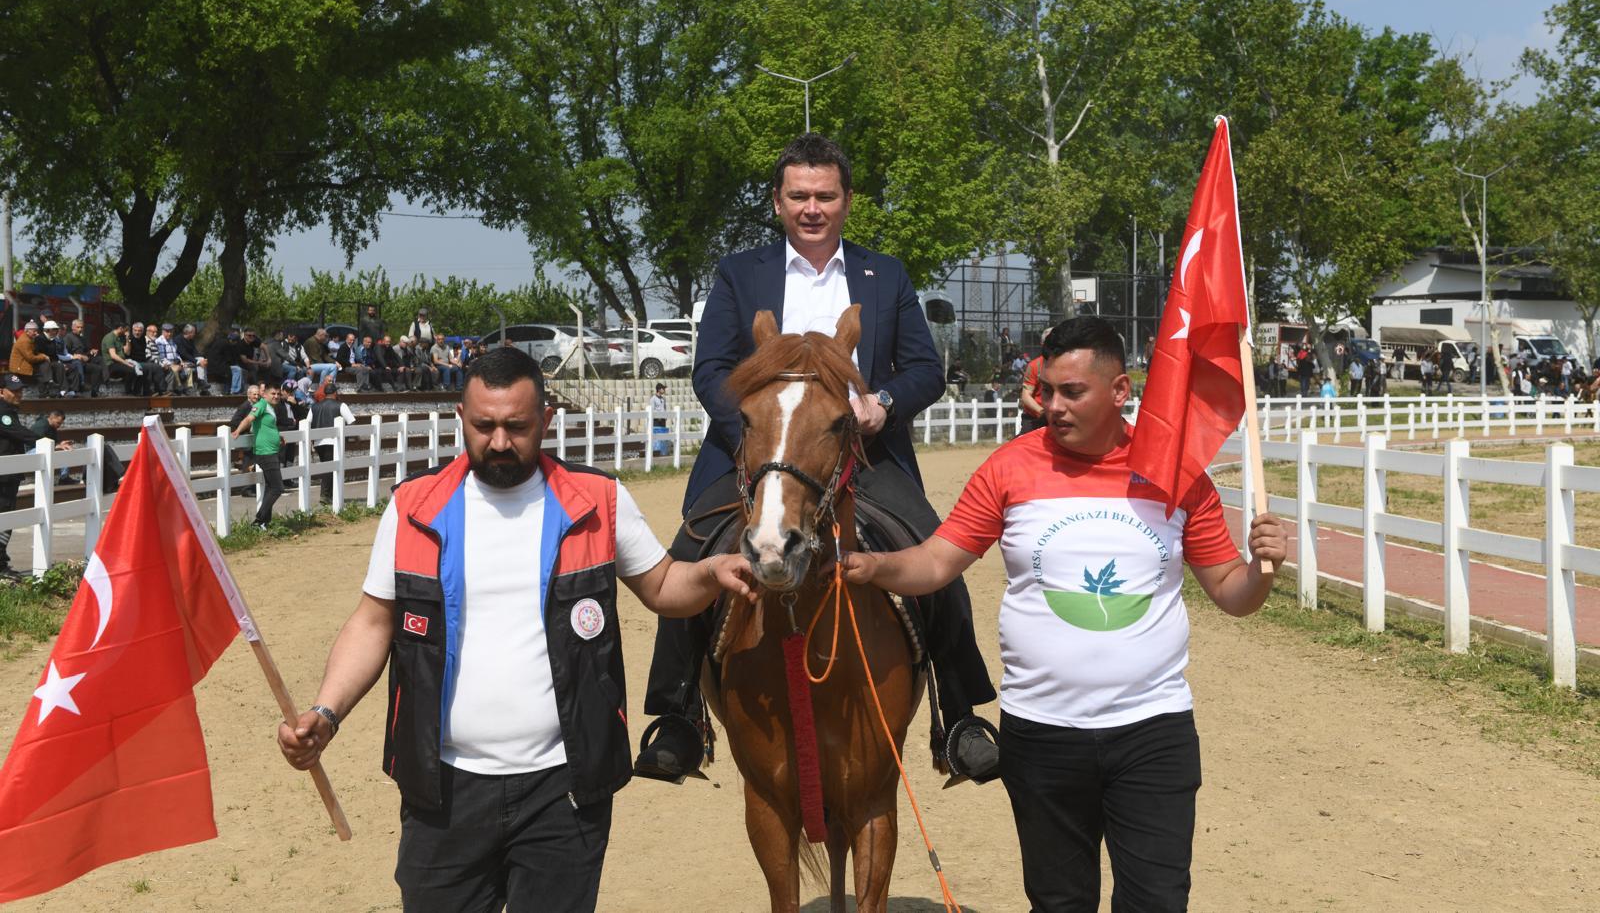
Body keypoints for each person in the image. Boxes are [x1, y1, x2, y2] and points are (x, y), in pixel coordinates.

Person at [275, 348, 756, 912]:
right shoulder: (414, 507)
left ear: (546, 420)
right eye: (484, 426)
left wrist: (709, 573)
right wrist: (327, 712)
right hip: (443, 788)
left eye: (517, 426)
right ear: (461, 417)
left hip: (565, 790)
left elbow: (664, 586)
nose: (499, 442)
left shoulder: (598, 499)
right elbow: (373, 621)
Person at [837, 317, 1289, 912]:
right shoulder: (1008, 467)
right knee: (1058, 904)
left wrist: (1260, 570)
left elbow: (1232, 593)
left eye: (1072, 392)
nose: (1052, 406)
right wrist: (873, 565)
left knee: (1157, 902)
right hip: (1040, 734)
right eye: (1046, 390)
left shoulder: (1178, 474)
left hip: (1153, 733)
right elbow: (937, 562)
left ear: (1120, 390)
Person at [633, 132, 999, 784]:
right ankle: (680, 713)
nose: (812, 208)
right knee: (690, 552)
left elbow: (923, 368)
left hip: (863, 454)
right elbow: (711, 369)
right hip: (759, 454)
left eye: (825, 196)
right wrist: (760, 434)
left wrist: (883, 402)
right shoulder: (738, 273)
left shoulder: (885, 274)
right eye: (799, 195)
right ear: (777, 201)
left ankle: (957, 714)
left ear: (847, 200)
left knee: (933, 555)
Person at [0, 374, 42, 578]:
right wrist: (47, 442)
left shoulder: (9, 411)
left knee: (7, 519)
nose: (19, 394)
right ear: (1, 392)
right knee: (5, 518)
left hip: (9, 475)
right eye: (14, 390)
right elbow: (20, 433)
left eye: (20, 390)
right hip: (4, 478)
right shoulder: (3, 412)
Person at [232, 384, 285, 527]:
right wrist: (238, 431)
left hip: (270, 450)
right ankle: (258, 520)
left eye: (278, 394)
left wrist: (277, 436)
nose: (276, 396)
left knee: (270, 487)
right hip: (265, 452)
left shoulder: (270, 408)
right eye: (273, 393)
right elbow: (249, 419)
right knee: (277, 488)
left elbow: (267, 426)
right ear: (265, 395)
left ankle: (264, 523)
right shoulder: (261, 405)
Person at [308, 382, 357, 505]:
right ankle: (325, 496)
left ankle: (329, 495)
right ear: (335, 392)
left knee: (327, 467)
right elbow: (352, 422)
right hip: (334, 441)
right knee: (330, 469)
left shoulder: (314, 407)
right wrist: (351, 437)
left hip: (318, 442)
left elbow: (308, 423)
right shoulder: (341, 405)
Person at [648, 382, 670, 457]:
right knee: (656, 435)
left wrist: (665, 416)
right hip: (656, 420)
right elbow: (652, 409)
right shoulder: (653, 399)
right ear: (659, 389)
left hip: (663, 419)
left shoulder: (663, 399)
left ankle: (662, 451)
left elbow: (664, 408)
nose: (664, 390)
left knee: (662, 435)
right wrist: (658, 416)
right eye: (663, 388)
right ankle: (656, 451)